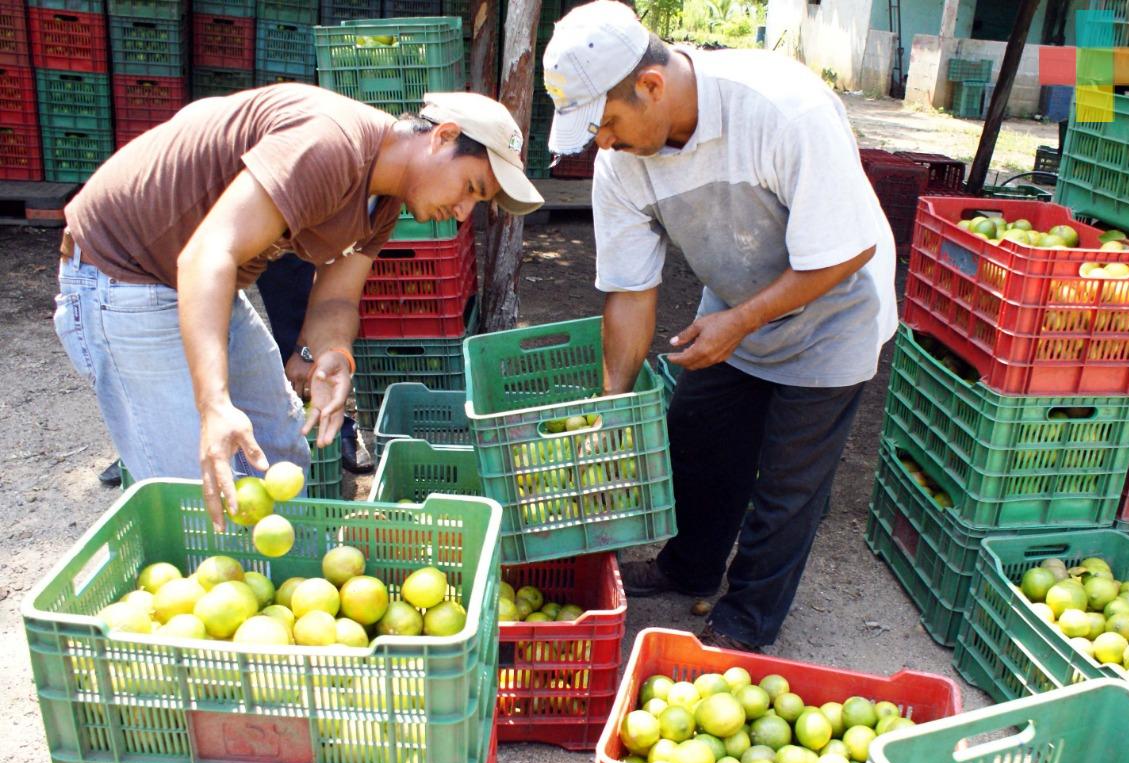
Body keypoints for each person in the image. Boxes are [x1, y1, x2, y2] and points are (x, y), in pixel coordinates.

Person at [542, 1, 897, 651]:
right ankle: (689, 567)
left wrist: (741, 322)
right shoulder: (621, 163)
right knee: (700, 440)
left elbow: (848, 248)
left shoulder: (782, 107)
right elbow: (629, 289)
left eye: (609, 123)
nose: (605, 142)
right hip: (736, 298)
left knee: (788, 488)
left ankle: (745, 620)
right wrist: (611, 403)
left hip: (837, 305)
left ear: (651, 85)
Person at [55, 84, 542, 529]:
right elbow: (208, 253)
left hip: (197, 280)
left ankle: (281, 588)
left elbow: (335, 296)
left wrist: (332, 354)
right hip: (123, 274)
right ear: (443, 138)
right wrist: (214, 404)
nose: (463, 212)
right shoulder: (331, 144)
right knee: (200, 491)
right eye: (472, 189)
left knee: (279, 449)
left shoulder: (386, 200)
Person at [256, 254, 373, 474]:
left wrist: (306, 351)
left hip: (285, 239)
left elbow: (337, 293)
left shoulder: (373, 222)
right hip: (202, 253)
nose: (461, 217)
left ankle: (334, 429)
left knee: (295, 289)